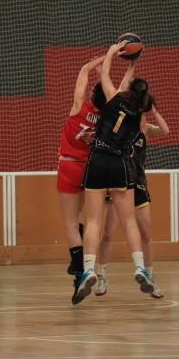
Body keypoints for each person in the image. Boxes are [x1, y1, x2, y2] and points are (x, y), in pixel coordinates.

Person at [75, 40, 155, 304]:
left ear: (128, 91)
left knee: (95, 222)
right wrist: (132, 68)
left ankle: (88, 269)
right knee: (129, 221)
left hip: (98, 161)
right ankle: (140, 267)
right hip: (121, 165)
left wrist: (111, 53)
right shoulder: (139, 114)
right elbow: (126, 87)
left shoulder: (113, 99)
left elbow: (105, 75)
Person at [95, 106, 170, 299]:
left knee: (146, 234)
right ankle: (101, 275)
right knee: (108, 234)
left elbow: (165, 131)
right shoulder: (122, 128)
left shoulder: (146, 128)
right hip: (119, 183)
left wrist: (155, 111)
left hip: (138, 185)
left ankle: (150, 276)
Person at [56, 55, 107, 303]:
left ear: (91, 96)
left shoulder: (79, 107)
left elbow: (85, 68)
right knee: (88, 221)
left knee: (70, 223)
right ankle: (84, 267)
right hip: (91, 169)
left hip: (68, 166)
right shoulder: (107, 119)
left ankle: (81, 271)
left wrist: (106, 56)